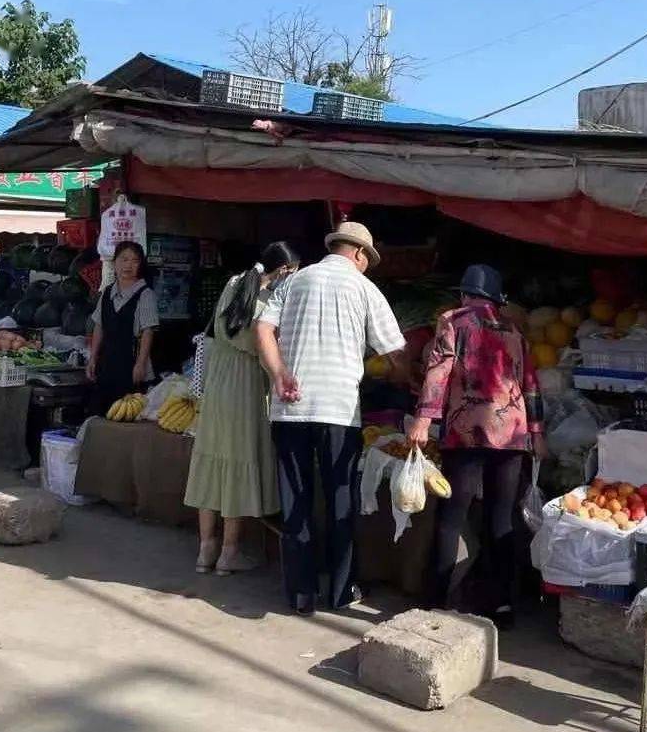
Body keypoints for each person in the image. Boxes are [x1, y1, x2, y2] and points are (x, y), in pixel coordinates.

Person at [255, 222, 407, 616]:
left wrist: (279, 374)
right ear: (359, 254)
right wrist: (410, 383)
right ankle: (341, 591)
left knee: (296, 500)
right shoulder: (364, 288)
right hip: (339, 409)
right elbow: (395, 353)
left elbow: (262, 329)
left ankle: (301, 594)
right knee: (340, 498)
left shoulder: (294, 280)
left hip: (290, 407)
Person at [407, 264, 547, 629]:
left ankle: (436, 600)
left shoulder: (453, 321)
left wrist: (423, 418)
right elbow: (530, 383)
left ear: (465, 294)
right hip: (512, 434)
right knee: (501, 518)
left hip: (467, 431)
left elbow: (439, 370)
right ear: (495, 299)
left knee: (453, 515)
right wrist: (537, 432)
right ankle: (502, 605)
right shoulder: (514, 329)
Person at [185, 242, 300, 576]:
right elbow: (262, 348)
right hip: (247, 385)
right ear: (284, 270)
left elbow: (223, 332)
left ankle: (205, 549)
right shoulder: (272, 299)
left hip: (218, 380)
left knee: (211, 461)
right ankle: (229, 553)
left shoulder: (235, 282)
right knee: (237, 463)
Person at [86, 240, 159, 416]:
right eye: (124, 259)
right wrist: (93, 358)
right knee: (103, 412)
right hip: (107, 363)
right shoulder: (107, 293)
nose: (128, 265)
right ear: (115, 262)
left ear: (140, 264)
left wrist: (141, 364)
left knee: (128, 415)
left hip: (131, 363)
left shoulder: (145, 294)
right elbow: (99, 327)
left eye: (135, 260)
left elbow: (148, 331)